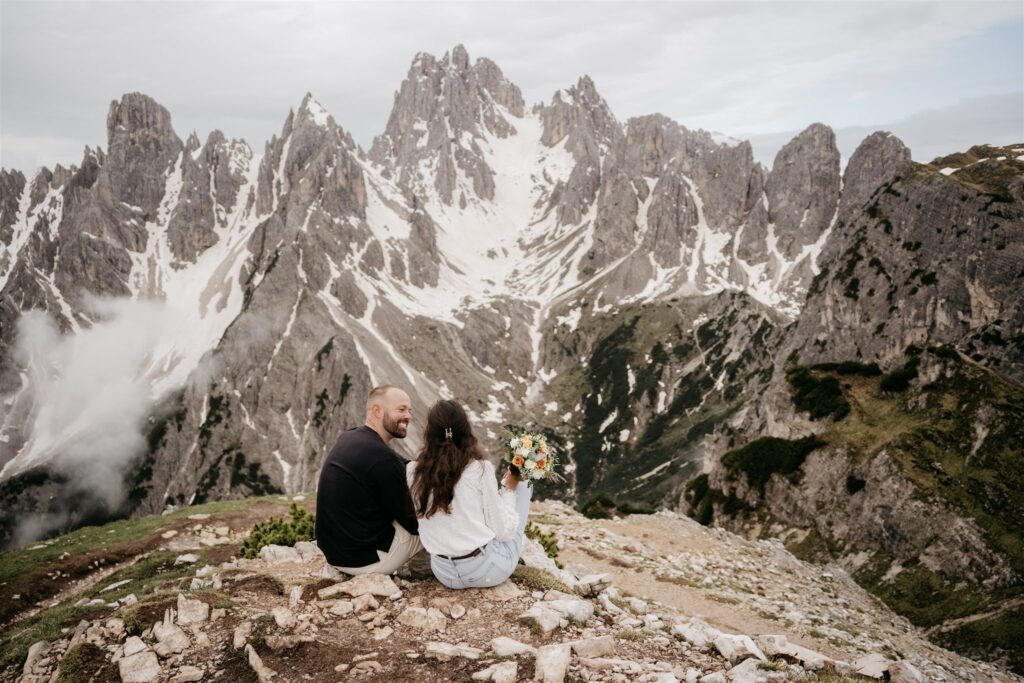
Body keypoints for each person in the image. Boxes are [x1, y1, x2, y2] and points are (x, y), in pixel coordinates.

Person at [407, 399, 532, 588]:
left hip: (444, 574)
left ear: (429, 433)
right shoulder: (479, 469)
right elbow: (504, 531)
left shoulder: (412, 471)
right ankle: (513, 488)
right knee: (524, 484)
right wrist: (509, 490)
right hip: (486, 571)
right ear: (466, 430)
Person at [315, 385, 422, 574]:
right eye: (401, 409)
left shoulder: (350, 437)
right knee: (435, 527)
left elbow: (402, 463)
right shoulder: (382, 458)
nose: (408, 416)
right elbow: (413, 525)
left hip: (336, 554)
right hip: (365, 561)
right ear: (377, 411)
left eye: (410, 410)